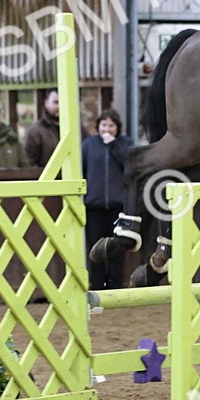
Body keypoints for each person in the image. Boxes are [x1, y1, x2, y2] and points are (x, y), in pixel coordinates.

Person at [82, 109, 133, 290]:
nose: (107, 129)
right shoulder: (88, 144)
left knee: (117, 248)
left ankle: (115, 285)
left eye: (111, 125)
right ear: (98, 126)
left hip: (117, 206)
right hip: (94, 207)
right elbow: (83, 169)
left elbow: (129, 165)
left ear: (117, 127)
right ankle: (96, 285)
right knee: (95, 248)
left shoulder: (126, 144)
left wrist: (113, 146)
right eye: (104, 125)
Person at [24, 88, 61, 168]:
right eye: (56, 102)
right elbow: (29, 162)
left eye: (63, 102)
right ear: (46, 103)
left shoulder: (78, 129)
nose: (59, 106)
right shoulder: (36, 132)